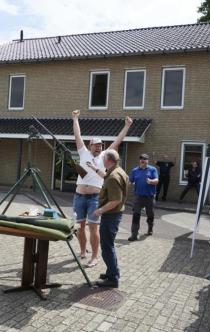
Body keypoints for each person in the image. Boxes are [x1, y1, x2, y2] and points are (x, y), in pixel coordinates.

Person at [72, 109, 132, 268]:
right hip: (79, 196)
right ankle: (83, 251)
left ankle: (94, 257)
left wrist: (126, 126)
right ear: (90, 145)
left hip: (94, 198)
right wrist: (75, 118)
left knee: (93, 228)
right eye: (96, 144)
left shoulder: (105, 156)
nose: (99, 147)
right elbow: (77, 136)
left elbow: (117, 142)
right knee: (79, 226)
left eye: (101, 145)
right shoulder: (83, 153)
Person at [93, 149, 129, 288]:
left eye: (103, 158)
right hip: (113, 215)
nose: (102, 160)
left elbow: (116, 200)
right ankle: (112, 272)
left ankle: (112, 279)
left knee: (107, 247)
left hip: (111, 215)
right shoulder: (118, 171)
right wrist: (94, 169)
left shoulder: (114, 176)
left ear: (108, 160)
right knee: (109, 245)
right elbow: (106, 178)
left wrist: (100, 210)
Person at [128, 153, 159, 241]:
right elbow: (130, 181)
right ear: (139, 160)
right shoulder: (135, 170)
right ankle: (134, 234)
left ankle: (150, 228)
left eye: (145, 159)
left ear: (147, 161)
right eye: (141, 159)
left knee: (150, 214)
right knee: (136, 214)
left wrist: (151, 181)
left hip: (149, 197)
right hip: (138, 197)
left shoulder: (152, 169)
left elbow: (156, 180)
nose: (143, 160)